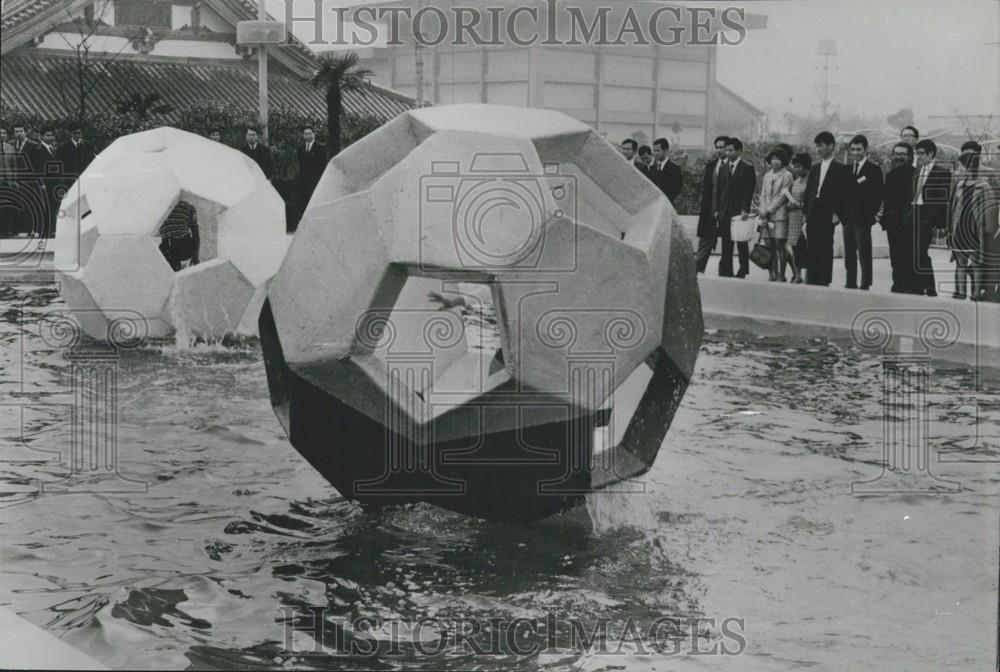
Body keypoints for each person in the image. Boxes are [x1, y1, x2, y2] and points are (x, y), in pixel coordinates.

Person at [949, 141, 997, 300]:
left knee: (976, 263)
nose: (959, 169)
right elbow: (953, 207)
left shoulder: (984, 185)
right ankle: (960, 292)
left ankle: (976, 293)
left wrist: (990, 229)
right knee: (960, 262)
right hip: (960, 228)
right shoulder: (959, 184)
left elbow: (991, 208)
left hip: (975, 228)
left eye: (961, 166)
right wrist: (950, 228)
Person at [803, 131, 850, 286]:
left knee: (825, 244)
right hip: (813, 209)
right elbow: (809, 191)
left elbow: (842, 193)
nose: (818, 149)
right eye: (816, 146)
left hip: (828, 210)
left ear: (831, 146)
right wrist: (805, 213)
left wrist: (837, 213)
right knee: (812, 243)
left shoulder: (841, 168)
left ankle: (824, 278)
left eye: (821, 146)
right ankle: (812, 277)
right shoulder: (814, 167)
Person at [843, 134, 884, 290]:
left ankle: (865, 282)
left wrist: (871, 214)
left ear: (865, 150)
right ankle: (850, 281)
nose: (855, 152)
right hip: (848, 218)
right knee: (849, 252)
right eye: (853, 149)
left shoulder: (873, 170)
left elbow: (878, 195)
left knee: (864, 252)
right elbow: (841, 194)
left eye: (858, 149)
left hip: (863, 218)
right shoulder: (846, 169)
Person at [912, 139, 952, 297]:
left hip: (926, 215)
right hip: (913, 212)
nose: (918, 156)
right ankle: (918, 285)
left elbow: (942, 199)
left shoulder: (942, 172)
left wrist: (930, 219)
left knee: (921, 250)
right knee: (914, 251)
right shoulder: (917, 170)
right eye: (917, 153)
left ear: (931, 154)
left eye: (921, 153)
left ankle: (929, 286)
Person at [882, 142, 918, 293]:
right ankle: (897, 285)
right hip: (893, 224)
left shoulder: (916, 175)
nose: (899, 157)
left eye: (902, 154)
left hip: (909, 224)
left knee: (909, 257)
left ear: (910, 157)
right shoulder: (890, 175)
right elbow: (887, 199)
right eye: (896, 154)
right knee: (895, 257)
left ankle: (911, 288)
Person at [718, 137, 756, 278]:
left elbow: (748, 191)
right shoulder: (723, 167)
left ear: (739, 151)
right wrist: (718, 209)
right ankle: (726, 269)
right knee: (726, 241)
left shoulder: (747, 168)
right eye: (726, 150)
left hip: (739, 210)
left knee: (741, 241)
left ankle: (743, 269)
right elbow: (720, 191)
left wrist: (745, 209)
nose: (728, 153)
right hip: (725, 210)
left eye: (731, 150)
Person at [757, 148, 794, 281]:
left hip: (780, 215)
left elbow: (782, 196)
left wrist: (768, 210)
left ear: (783, 160)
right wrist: (763, 210)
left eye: (778, 159)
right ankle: (772, 272)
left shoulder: (787, 175)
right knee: (768, 245)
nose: (775, 161)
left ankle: (782, 274)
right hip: (765, 216)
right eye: (773, 159)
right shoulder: (767, 175)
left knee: (780, 244)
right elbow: (763, 194)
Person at [695, 135, 729, 273]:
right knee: (705, 238)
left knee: (727, 241)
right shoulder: (711, 166)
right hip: (710, 209)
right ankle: (698, 267)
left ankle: (725, 270)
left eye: (723, 147)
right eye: (717, 147)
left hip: (726, 209)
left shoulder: (732, 166)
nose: (719, 150)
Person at [782, 152, 811, 284]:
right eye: (795, 166)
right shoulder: (794, 182)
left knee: (806, 247)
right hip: (793, 217)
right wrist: (790, 205)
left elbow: (812, 202)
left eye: (799, 166)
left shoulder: (811, 181)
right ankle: (797, 274)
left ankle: (808, 274)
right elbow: (787, 200)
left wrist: (799, 205)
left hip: (805, 217)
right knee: (794, 247)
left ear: (806, 166)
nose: (796, 169)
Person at [158, 200, 200, 271]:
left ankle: (173, 264)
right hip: (183, 246)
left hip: (170, 245)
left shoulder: (161, 205)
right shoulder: (190, 206)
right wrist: (196, 257)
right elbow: (196, 234)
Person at [296, 126, 326, 219]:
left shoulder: (320, 148)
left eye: (309, 133)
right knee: (304, 204)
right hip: (303, 182)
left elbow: (323, 165)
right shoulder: (300, 149)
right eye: (305, 134)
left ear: (314, 134)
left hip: (315, 181)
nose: (307, 136)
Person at [57, 123, 95, 197]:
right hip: (71, 182)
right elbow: (60, 167)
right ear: (71, 134)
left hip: (85, 180)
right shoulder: (63, 148)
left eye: (80, 133)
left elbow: (92, 162)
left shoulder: (87, 146)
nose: (79, 135)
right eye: (76, 133)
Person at [648, 138, 683, 205]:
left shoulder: (674, 169)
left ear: (666, 151)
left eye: (658, 151)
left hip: (667, 204)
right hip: (654, 204)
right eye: (654, 151)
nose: (655, 153)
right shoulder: (652, 168)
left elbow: (677, 189)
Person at [0, 126, 15, 237]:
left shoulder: (11, 148)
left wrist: (14, 180)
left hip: (8, 182)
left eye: (4, 133)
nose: (2, 135)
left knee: (8, 206)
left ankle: (7, 229)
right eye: (0, 133)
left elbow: (14, 165)